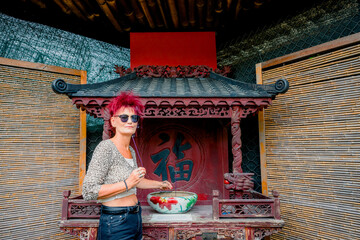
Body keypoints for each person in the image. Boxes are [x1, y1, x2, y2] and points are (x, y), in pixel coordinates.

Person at [82, 91, 173, 240]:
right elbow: (88, 190)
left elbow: (135, 182)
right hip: (115, 221)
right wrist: (127, 183)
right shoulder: (106, 148)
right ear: (113, 122)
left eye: (134, 117)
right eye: (124, 117)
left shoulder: (130, 149)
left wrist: (160, 184)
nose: (129, 121)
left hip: (135, 216)